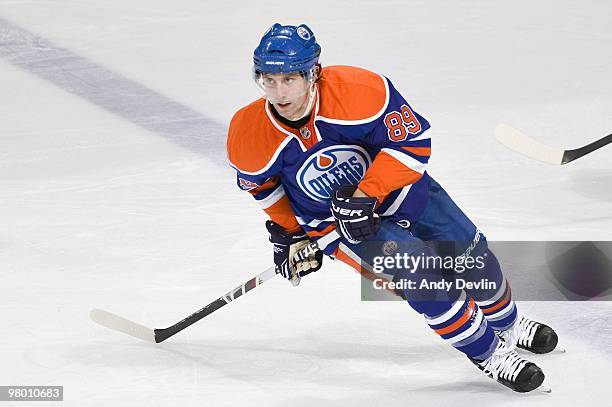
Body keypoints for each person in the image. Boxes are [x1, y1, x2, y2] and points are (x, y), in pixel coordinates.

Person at [226, 23, 559, 393]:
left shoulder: (362, 91)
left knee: (472, 255)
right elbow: (265, 190)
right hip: (339, 225)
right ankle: (488, 352)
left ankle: (508, 323)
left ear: (313, 73)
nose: (278, 92)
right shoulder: (247, 131)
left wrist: (366, 193)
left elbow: (413, 144)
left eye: (289, 79)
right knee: (424, 279)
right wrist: (290, 234)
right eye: (268, 80)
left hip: (400, 191)